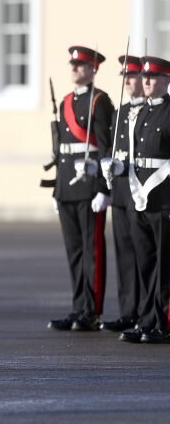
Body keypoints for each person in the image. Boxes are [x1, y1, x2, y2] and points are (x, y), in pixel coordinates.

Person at [48, 46, 114, 332]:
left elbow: (104, 148)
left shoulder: (100, 101)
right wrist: (56, 190)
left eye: (81, 65)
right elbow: (60, 151)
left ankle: (93, 311)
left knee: (92, 251)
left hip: (89, 188)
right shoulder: (64, 102)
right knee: (74, 251)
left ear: (93, 70)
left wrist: (103, 187)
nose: (74, 69)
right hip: (67, 189)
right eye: (72, 65)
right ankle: (78, 307)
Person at [117, 56, 170, 344]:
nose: (146, 82)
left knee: (165, 267)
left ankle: (164, 324)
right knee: (146, 263)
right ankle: (148, 321)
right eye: (145, 77)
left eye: (153, 77)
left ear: (166, 81)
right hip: (141, 201)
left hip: (163, 201)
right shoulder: (142, 114)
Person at [100, 55, 144, 332]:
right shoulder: (119, 112)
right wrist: (106, 164)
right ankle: (128, 311)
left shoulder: (151, 111)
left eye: (132, 75)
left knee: (144, 254)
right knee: (125, 254)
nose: (127, 81)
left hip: (142, 191)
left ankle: (146, 312)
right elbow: (112, 147)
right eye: (124, 76)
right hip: (120, 192)